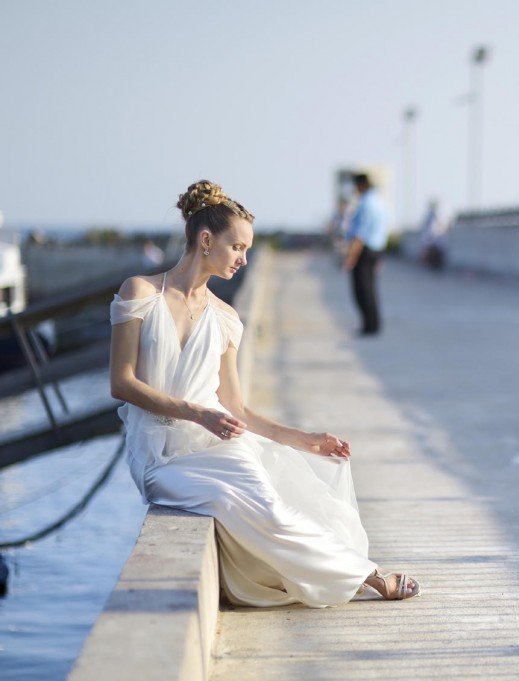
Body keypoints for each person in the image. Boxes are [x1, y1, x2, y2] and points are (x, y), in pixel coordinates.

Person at [109, 180, 419, 607]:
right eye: (237, 247)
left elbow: (236, 408)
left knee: (272, 507)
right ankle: (366, 575)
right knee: (227, 500)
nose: (244, 259)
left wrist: (304, 438)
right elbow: (121, 383)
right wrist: (198, 413)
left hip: (219, 446)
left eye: (248, 250)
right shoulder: (139, 294)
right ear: (205, 240)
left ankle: (366, 573)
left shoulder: (225, 318)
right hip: (158, 457)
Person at [344, 173, 389, 336]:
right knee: (371, 289)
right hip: (377, 249)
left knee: (362, 290)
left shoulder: (365, 203)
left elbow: (360, 234)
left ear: (361, 185)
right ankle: (373, 324)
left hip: (364, 251)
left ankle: (368, 326)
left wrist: (351, 257)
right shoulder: (379, 202)